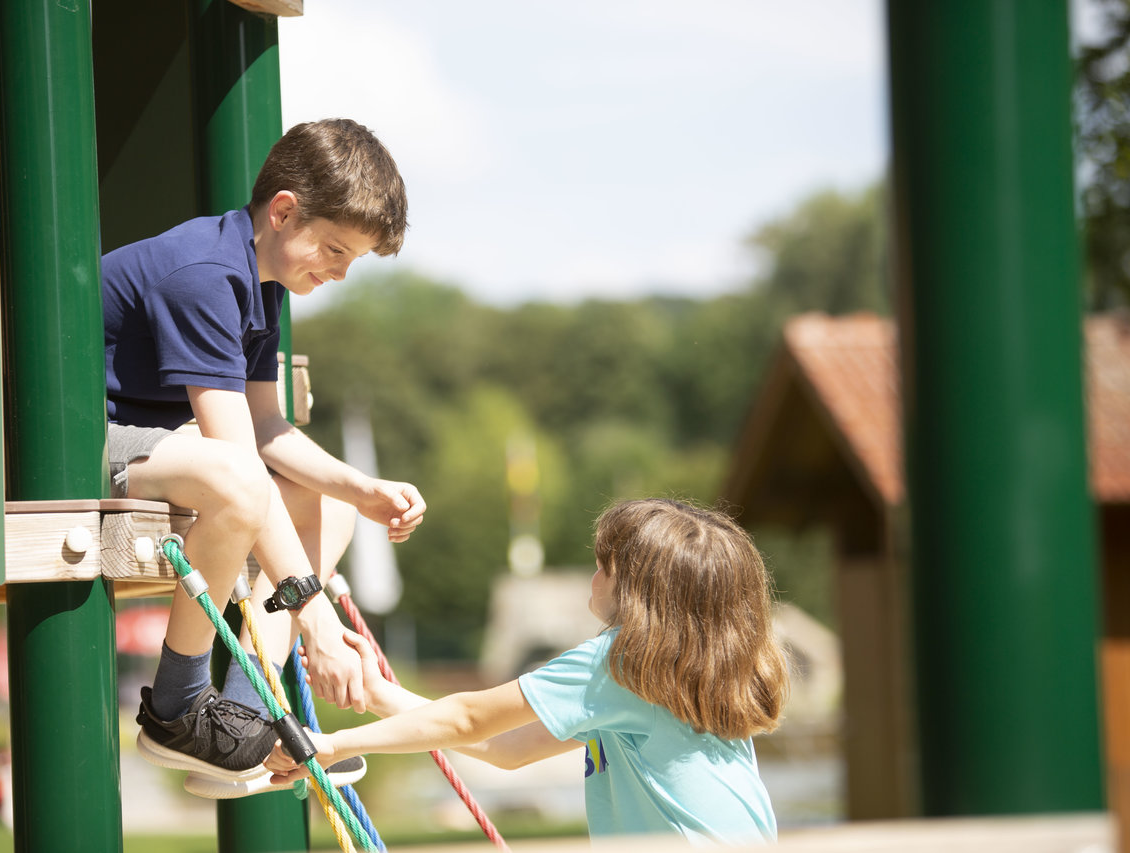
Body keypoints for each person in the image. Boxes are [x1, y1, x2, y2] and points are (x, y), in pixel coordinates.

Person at [102, 118, 426, 797]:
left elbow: (266, 422)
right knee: (241, 480)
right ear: (283, 211)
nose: (339, 272)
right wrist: (317, 618)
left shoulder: (261, 280)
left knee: (329, 508)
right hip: (76, 441)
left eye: (352, 259)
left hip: (160, 444)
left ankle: (245, 718)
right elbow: (237, 457)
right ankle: (177, 709)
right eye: (336, 249)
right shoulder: (204, 274)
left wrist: (360, 487)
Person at [267, 499, 789, 847]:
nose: (593, 572)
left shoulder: (622, 664)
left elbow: (470, 718)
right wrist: (382, 695)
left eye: (605, 564)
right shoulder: (676, 675)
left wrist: (331, 744)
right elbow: (508, 748)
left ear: (637, 591)